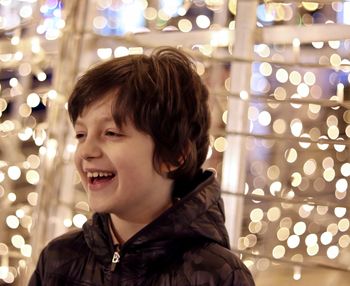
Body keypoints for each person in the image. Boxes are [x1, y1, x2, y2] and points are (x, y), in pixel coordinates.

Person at [28, 47, 255, 286]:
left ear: (174, 155)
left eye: (111, 133)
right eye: (81, 134)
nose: (86, 151)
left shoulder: (216, 275)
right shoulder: (58, 260)